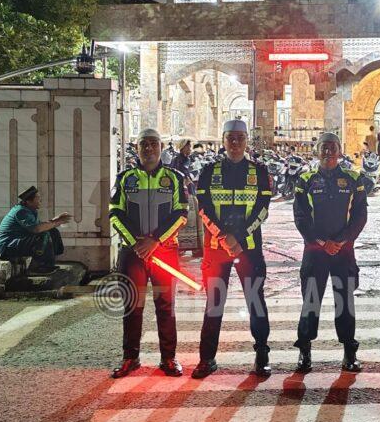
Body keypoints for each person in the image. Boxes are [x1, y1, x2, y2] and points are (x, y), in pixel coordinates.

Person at [192, 119, 273, 379]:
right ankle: (207, 359)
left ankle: (262, 354)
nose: (235, 143)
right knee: (214, 304)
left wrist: (238, 237)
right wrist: (223, 235)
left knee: (255, 302)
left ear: (247, 140)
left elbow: (263, 209)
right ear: (223, 140)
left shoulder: (259, 171)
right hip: (217, 250)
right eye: (230, 138)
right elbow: (203, 208)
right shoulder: (208, 171)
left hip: (248, 249)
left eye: (240, 138)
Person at [108, 128, 189, 379]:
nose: (149, 148)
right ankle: (130, 358)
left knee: (165, 306)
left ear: (162, 147)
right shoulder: (124, 179)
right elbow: (114, 214)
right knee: (132, 306)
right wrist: (136, 243)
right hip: (132, 255)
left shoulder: (175, 178)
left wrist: (155, 241)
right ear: (137, 147)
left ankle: (168, 358)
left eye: (154, 143)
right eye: (144, 144)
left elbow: (181, 215)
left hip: (165, 252)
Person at [293, 132, 369, 373]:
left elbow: (360, 216)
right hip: (315, 252)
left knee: (345, 302)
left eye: (332, 147)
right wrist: (322, 241)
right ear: (317, 151)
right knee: (311, 301)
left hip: (344, 252)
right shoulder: (304, 179)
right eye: (323, 148)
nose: (328, 152)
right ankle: (304, 350)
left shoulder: (354, 178)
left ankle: (349, 351)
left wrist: (342, 240)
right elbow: (300, 217)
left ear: (340, 150)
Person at [0, 186, 70, 274]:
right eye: (37, 198)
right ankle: (38, 266)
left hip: (17, 242)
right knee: (43, 235)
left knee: (52, 231)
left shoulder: (28, 210)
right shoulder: (21, 211)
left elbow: (40, 226)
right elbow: (37, 229)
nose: (40, 200)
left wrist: (55, 220)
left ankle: (48, 264)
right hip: (8, 247)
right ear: (28, 201)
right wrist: (56, 221)